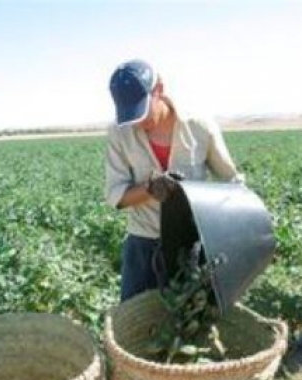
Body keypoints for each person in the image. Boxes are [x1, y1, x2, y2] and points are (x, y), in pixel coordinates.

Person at [104, 59, 244, 302]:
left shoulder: (199, 126)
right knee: (134, 322)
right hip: (143, 244)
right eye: (131, 115)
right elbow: (117, 196)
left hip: (190, 245)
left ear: (158, 89)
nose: (138, 121)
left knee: (191, 316)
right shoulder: (119, 133)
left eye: (143, 110)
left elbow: (231, 183)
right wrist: (149, 188)